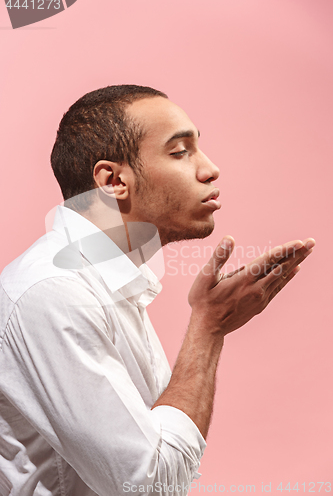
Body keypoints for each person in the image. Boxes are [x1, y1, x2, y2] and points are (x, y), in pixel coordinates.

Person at [0, 85, 315, 496]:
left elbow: (165, 460)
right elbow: (148, 487)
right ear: (113, 181)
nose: (210, 169)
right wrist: (208, 328)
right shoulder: (56, 293)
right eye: (180, 152)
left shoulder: (110, 278)